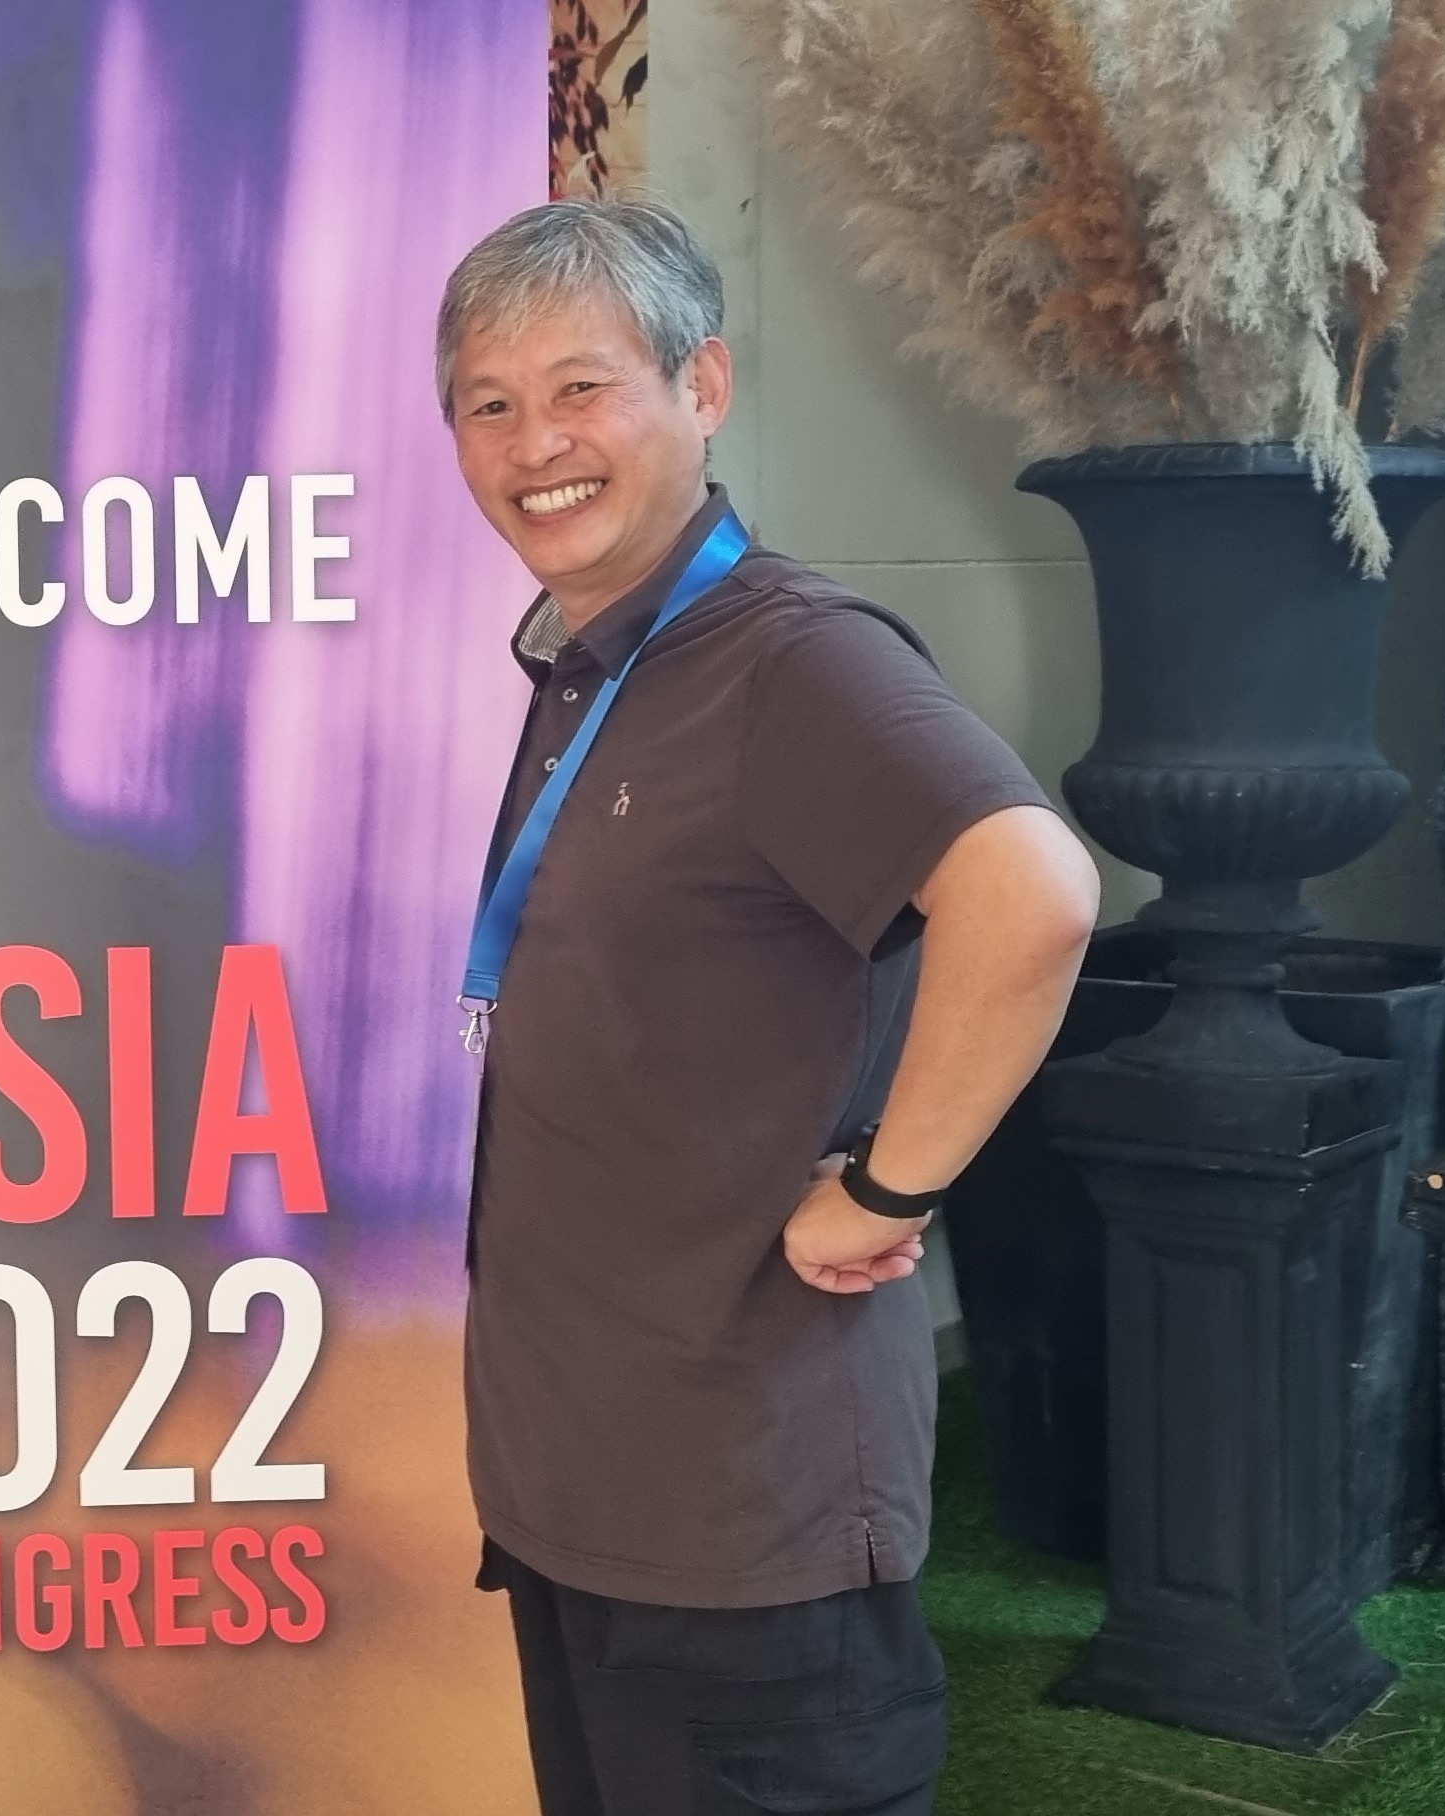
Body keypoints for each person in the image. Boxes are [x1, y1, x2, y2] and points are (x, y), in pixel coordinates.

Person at [436, 199, 1102, 1816]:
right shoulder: (600, 659)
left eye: (582, 388)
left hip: (746, 1522)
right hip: (587, 1497)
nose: (536, 445)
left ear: (704, 386)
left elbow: (1033, 891)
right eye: (489, 404)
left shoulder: (788, 658)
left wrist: (888, 1188)